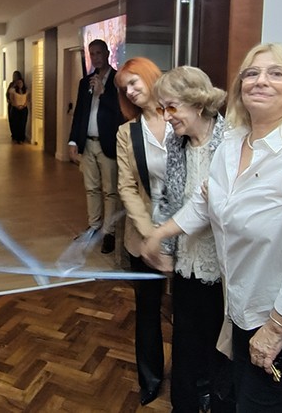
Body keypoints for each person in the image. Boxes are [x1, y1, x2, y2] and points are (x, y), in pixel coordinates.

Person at [145, 44, 282, 412]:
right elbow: (206, 203)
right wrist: (162, 233)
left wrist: (275, 329)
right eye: (252, 73)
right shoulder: (232, 144)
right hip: (245, 307)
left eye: (276, 73)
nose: (260, 81)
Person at [146, 65, 232, 412]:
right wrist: (165, 248)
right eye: (162, 109)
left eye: (171, 107)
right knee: (184, 343)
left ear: (198, 104)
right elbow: (168, 199)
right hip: (186, 263)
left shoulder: (233, 142)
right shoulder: (176, 142)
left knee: (219, 350)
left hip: (223, 269)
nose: (166, 118)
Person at [113, 58, 171, 406]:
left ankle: (199, 379)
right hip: (143, 236)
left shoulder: (184, 117)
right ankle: (149, 378)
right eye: (125, 89)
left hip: (192, 233)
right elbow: (127, 187)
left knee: (194, 314)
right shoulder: (127, 132)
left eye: (134, 82)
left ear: (151, 77)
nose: (131, 92)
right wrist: (152, 234)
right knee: (148, 312)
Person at [68, 39, 123, 255]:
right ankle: (94, 226)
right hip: (88, 143)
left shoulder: (119, 81)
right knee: (91, 188)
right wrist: (73, 141)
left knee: (110, 191)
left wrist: (103, 94)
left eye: (99, 52)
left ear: (108, 53)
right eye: (92, 53)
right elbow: (80, 113)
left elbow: (122, 113)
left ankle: (109, 232)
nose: (96, 57)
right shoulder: (85, 82)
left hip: (108, 144)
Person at [6, 70, 29, 143]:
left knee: (21, 123)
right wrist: (10, 101)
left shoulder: (24, 88)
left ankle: (20, 137)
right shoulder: (11, 85)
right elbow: (8, 94)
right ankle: (14, 135)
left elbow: (28, 98)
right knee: (13, 121)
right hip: (13, 105)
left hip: (22, 107)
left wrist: (23, 105)